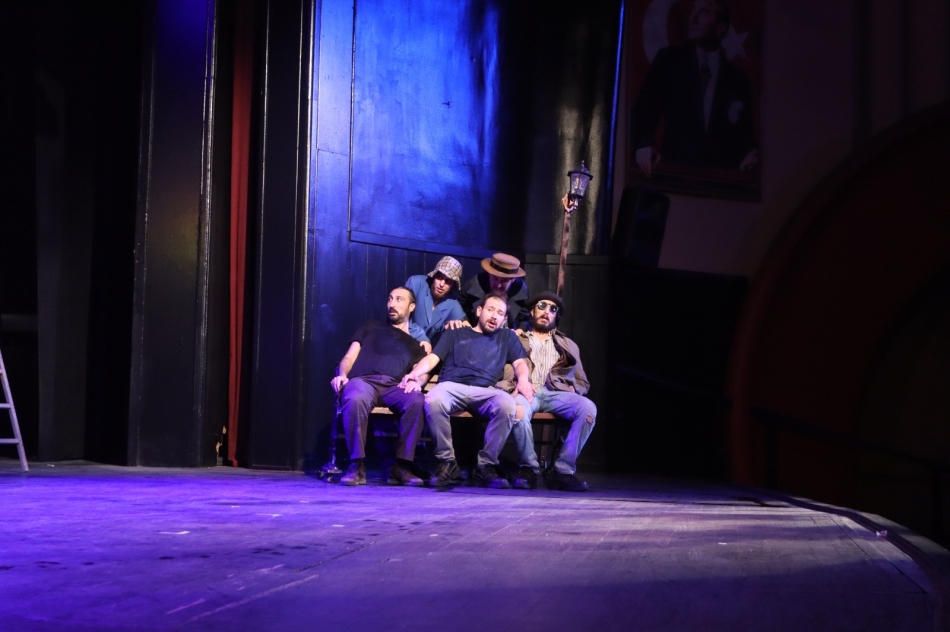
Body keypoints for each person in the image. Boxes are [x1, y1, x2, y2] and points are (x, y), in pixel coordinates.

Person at [399, 290, 533, 488]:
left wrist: (523, 379)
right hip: (452, 386)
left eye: (499, 313)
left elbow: (520, 363)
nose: (494, 316)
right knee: (434, 400)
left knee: (507, 405)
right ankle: (447, 461)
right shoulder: (455, 332)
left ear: (504, 320)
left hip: (487, 390)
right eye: (490, 309)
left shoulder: (507, 337)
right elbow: (433, 358)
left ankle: (486, 465)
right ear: (479, 311)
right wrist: (415, 373)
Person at [631, 0, 758, 176]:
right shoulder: (669, 62)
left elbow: (745, 134)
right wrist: (645, 145)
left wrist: (750, 154)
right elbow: (644, 111)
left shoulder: (738, 79)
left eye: (703, 12)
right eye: (693, 10)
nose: (693, 18)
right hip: (672, 175)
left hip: (719, 181)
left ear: (721, 28)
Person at [330, 287, 431, 486]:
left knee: (417, 401)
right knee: (355, 397)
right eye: (390, 299)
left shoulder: (414, 344)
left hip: (396, 386)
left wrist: (418, 382)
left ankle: (401, 467)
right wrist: (342, 375)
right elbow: (349, 356)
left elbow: (424, 371)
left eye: (399, 299)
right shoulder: (371, 327)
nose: (392, 304)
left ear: (411, 307)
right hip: (364, 381)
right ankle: (357, 465)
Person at [505, 292, 596, 492]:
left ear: (556, 316)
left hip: (556, 394)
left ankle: (562, 471)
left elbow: (583, 381)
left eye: (552, 309)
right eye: (542, 306)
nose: (547, 312)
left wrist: (575, 389)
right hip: (527, 391)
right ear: (532, 311)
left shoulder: (569, 345)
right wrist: (513, 385)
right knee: (518, 409)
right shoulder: (517, 339)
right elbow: (504, 369)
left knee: (588, 408)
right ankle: (529, 469)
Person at [404, 256, 466, 347]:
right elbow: (402, 316)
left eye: (448, 281)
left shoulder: (452, 302)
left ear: (453, 285)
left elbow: (465, 325)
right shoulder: (415, 283)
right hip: (402, 340)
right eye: (440, 277)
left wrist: (458, 325)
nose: (442, 284)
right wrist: (421, 337)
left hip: (424, 351)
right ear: (434, 275)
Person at [457, 252, 529, 330]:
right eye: (495, 279)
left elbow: (525, 317)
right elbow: (458, 305)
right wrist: (464, 320)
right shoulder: (474, 283)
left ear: (513, 279)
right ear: (489, 274)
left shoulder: (520, 288)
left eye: (504, 281)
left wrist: (520, 329)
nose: (498, 285)